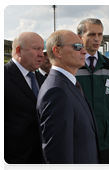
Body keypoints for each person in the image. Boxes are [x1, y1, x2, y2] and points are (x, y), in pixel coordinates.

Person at [37, 30, 100, 170]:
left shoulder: (67, 84)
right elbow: (57, 156)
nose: (84, 51)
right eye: (77, 46)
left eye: (82, 46)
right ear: (57, 51)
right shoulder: (56, 91)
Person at [76, 18, 109, 170]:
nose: (97, 39)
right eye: (91, 34)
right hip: (78, 138)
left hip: (104, 138)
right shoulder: (72, 67)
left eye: (100, 34)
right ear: (80, 37)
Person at [4, 32, 46, 170]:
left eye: (42, 49)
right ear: (18, 51)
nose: (41, 54)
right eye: (36, 49)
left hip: (42, 159)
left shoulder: (43, 79)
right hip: (14, 161)